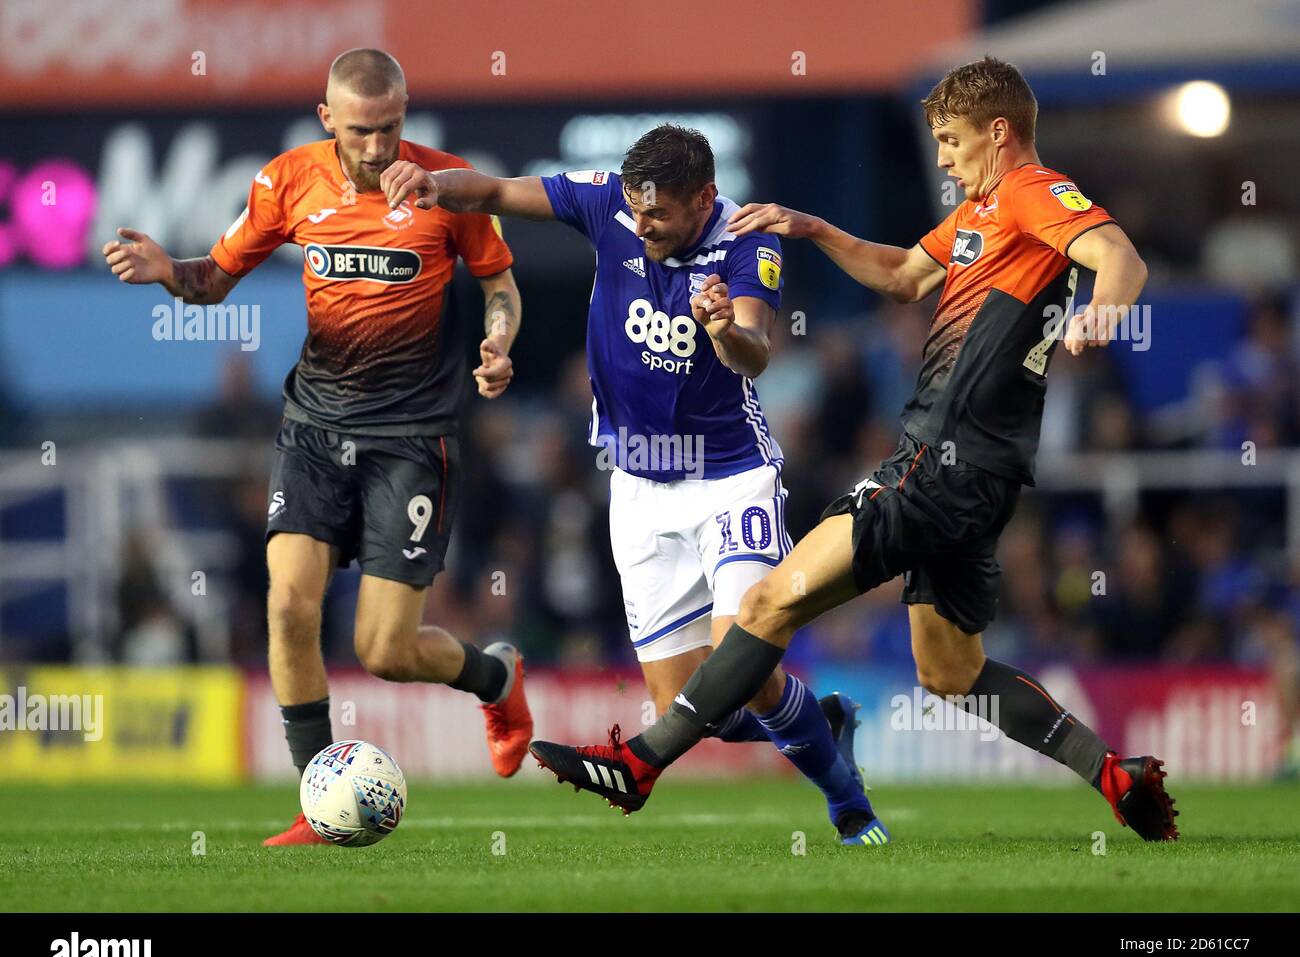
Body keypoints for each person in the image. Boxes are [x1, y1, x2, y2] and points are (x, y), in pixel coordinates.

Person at [527, 57, 1179, 843]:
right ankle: (1110, 771)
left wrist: (1103, 311)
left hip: (936, 459)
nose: (941, 157)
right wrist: (814, 228)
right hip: (986, 478)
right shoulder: (981, 215)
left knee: (767, 606)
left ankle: (640, 765)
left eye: (951, 139)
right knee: (951, 671)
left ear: (998, 133)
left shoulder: (1032, 193)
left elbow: (1119, 255)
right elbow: (905, 275)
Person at [381, 124, 888, 845]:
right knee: (691, 704)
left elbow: (754, 355)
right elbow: (492, 189)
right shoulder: (608, 206)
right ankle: (821, 718)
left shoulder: (747, 239)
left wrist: (720, 329)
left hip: (729, 481)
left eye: (658, 214)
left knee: (739, 659)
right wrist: (435, 185)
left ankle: (850, 806)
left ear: (704, 197)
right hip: (638, 491)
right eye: (635, 208)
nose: (641, 223)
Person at [102, 49, 533, 846]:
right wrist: (168, 271)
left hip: (410, 440)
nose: (379, 148)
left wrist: (499, 343)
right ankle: (314, 797)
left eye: (393, 129)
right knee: (289, 606)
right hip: (313, 427)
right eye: (363, 130)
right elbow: (213, 281)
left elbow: (499, 285)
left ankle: (495, 675)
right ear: (327, 118)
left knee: (385, 651)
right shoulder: (285, 181)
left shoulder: (449, 184)